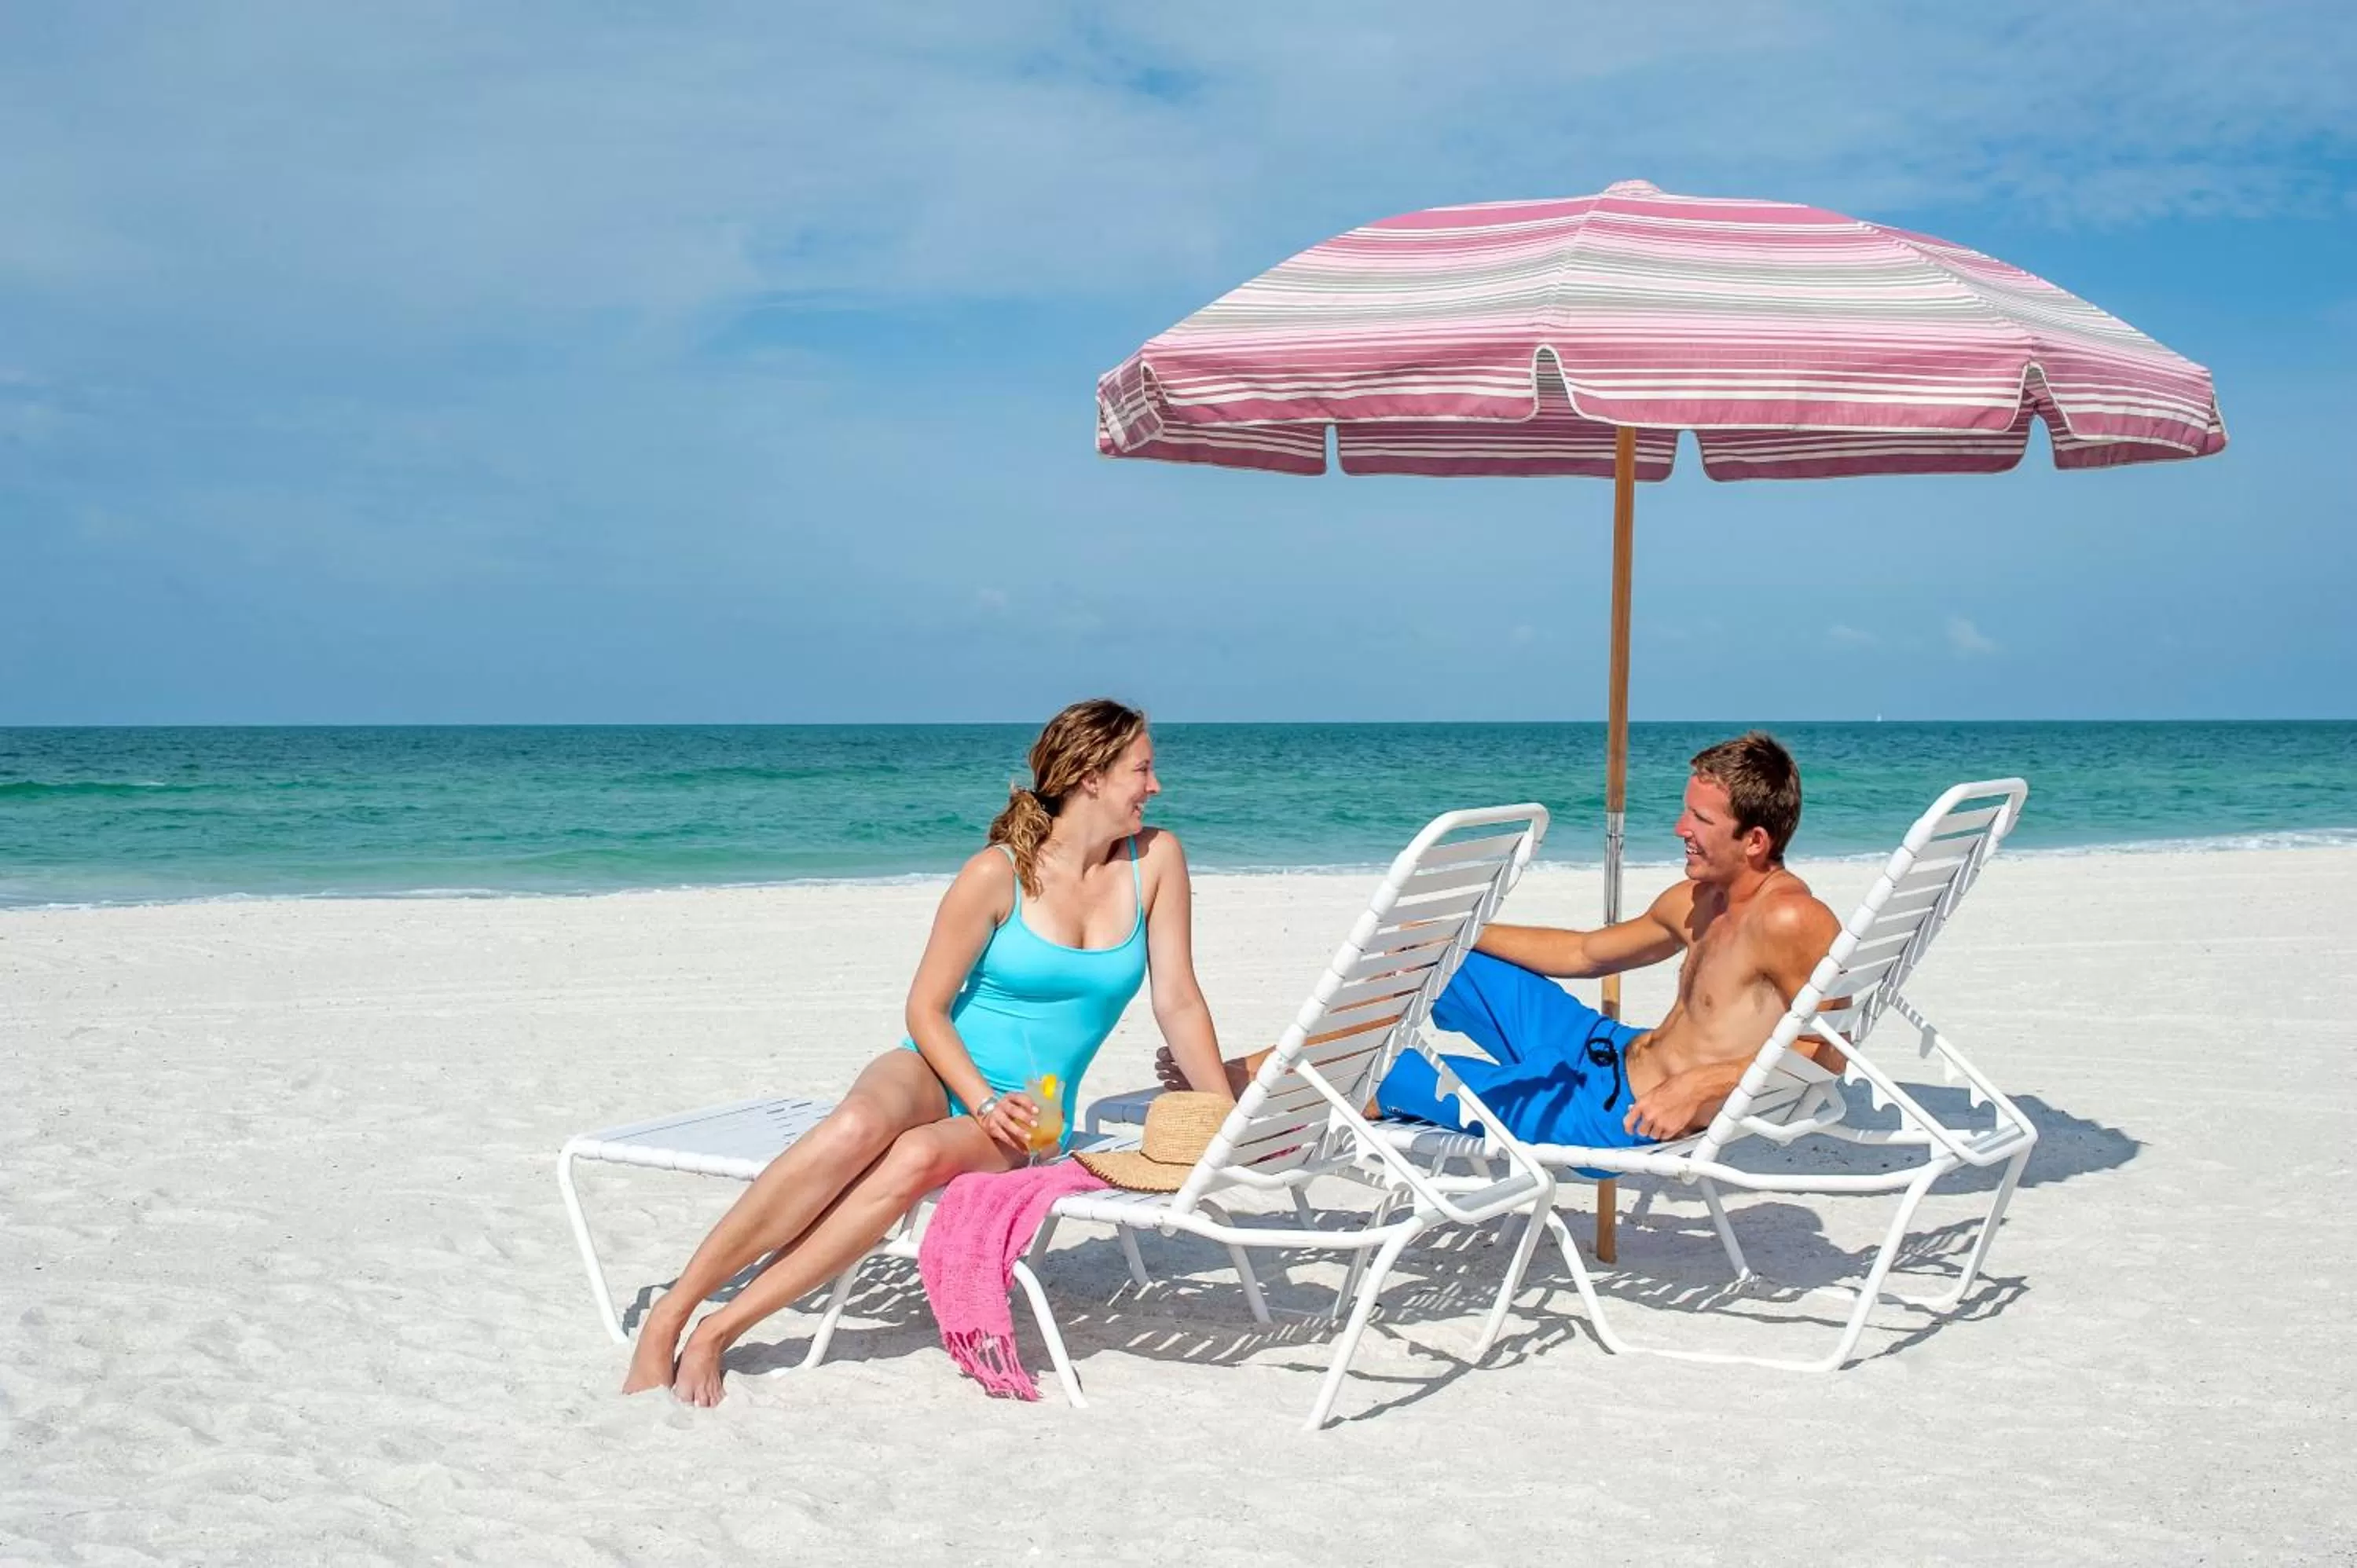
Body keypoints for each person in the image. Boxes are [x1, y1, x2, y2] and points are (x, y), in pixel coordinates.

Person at [626, 698, 1233, 1404]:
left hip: (1031, 1112)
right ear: (1091, 776)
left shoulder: (1155, 859)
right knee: (854, 1127)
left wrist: (1219, 1110)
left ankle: (716, 1332)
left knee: (914, 1158)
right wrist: (974, 1096)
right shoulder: (998, 873)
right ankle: (669, 1315)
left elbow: (1178, 1000)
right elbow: (926, 1007)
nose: (1154, 786)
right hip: (936, 1066)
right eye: (1143, 769)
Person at [1160, 731, 1845, 1155]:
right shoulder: (1701, 900)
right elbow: (1585, 954)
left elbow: (1832, 1051)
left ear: (1756, 840)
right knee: (1438, 961)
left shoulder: (1791, 922)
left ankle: (1239, 1086)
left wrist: (1705, 1084)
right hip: (1603, 1051)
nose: (1678, 830)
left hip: (1612, 1114)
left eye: (1698, 819)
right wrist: (1458, 933)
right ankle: (1248, 1069)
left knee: (1393, 1072)